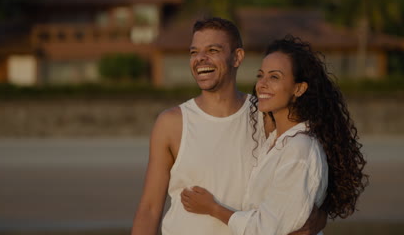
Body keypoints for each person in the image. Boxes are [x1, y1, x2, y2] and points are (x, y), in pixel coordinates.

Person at [132, 18, 327, 235]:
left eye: (212, 50)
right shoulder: (171, 123)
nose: (200, 59)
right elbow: (149, 209)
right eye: (194, 52)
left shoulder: (267, 115)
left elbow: (310, 175)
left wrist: (319, 216)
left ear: (237, 57)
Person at [180, 35, 368, 234]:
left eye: (274, 77)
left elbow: (265, 229)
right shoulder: (274, 140)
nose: (262, 84)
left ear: (299, 88)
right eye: (261, 75)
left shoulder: (300, 149)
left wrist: (213, 208)